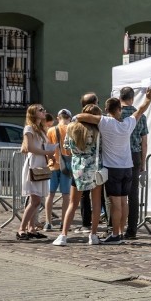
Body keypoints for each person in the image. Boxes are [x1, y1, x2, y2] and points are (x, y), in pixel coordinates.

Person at [73, 89, 151, 244]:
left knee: (115, 203)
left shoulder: (105, 122)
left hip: (113, 168)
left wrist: (75, 117)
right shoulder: (128, 123)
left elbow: (84, 116)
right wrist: (148, 98)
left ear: (106, 110)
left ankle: (115, 234)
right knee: (124, 202)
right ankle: (121, 232)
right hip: (128, 167)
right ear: (120, 110)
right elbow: (142, 109)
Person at [52, 105, 104, 246]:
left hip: (77, 169)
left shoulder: (72, 127)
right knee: (96, 202)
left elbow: (67, 148)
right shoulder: (98, 131)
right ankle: (93, 235)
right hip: (94, 168)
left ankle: (63, 235)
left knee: (73, 203)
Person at [17, 104, 57, 240]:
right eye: (40, 110)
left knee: (37, 200)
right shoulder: (29, 128)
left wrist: (49, 154)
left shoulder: (42, 129)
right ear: (33, 113)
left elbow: (40, 147)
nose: (44, 111)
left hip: (41, 164)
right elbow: (29, 147)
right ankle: (21, 229)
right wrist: (47, 152)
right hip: (33, 164)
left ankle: (32, 228)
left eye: (44, 109)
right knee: (35, 200)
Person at [119, 86, 149, 240]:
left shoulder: (115, 114)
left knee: (115, 193)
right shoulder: (140, 115)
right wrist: (143, 161)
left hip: (117, 154)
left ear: (120, 97)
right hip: (135, 154)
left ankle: (115, 228)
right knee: (133, 194)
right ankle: (131, 230)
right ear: (132, 97)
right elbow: (144, 142)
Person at [44, 109, 73, 232]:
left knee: (50, 194)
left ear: (58, 117)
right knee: (66, 195)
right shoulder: (71, 129)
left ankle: (48, 222)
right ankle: (63, 222)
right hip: (67, 166)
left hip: (53, 164)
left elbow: (47, 148)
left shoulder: (51, 130)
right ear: (69, 118)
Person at [79, 91, 102, 230]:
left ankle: (86, 224)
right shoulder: (102, 122)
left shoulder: (77, 122)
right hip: (98, 163)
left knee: (84, 195)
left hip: (81, 164)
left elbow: (68, 147)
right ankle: (94, 228)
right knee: (98, 198)